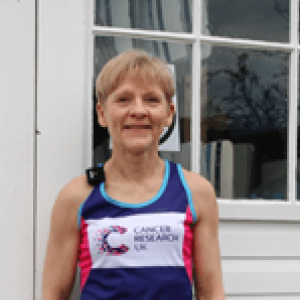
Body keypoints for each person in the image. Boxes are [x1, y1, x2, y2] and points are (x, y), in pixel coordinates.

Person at [42, 49, 225, 300]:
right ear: (102, 113)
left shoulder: (195, 192)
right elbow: (53, 294)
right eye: (123, 100)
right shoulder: (76, 196)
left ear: (169, 113)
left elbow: (211, 293)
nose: (138, 111)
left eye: (151, 100)